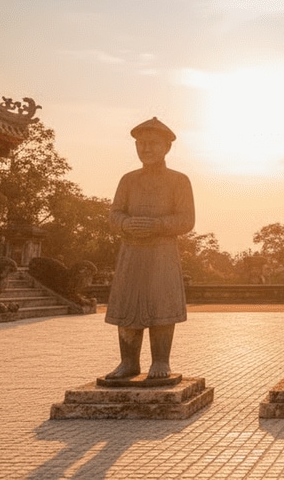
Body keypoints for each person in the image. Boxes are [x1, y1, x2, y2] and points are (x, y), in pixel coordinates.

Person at [105, 117, 195, 380]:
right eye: (141, 144)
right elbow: (114, 214)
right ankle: (128, 361)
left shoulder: (179, 180)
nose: (146, 149)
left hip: (162, 252)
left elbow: (187, 220)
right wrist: (127, 223)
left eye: (153, 144)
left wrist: (157, 225)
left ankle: (161, 361)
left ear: (167, 147)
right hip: (131, 251)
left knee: (161, 304)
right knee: (127, 304)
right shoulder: (128, 180)